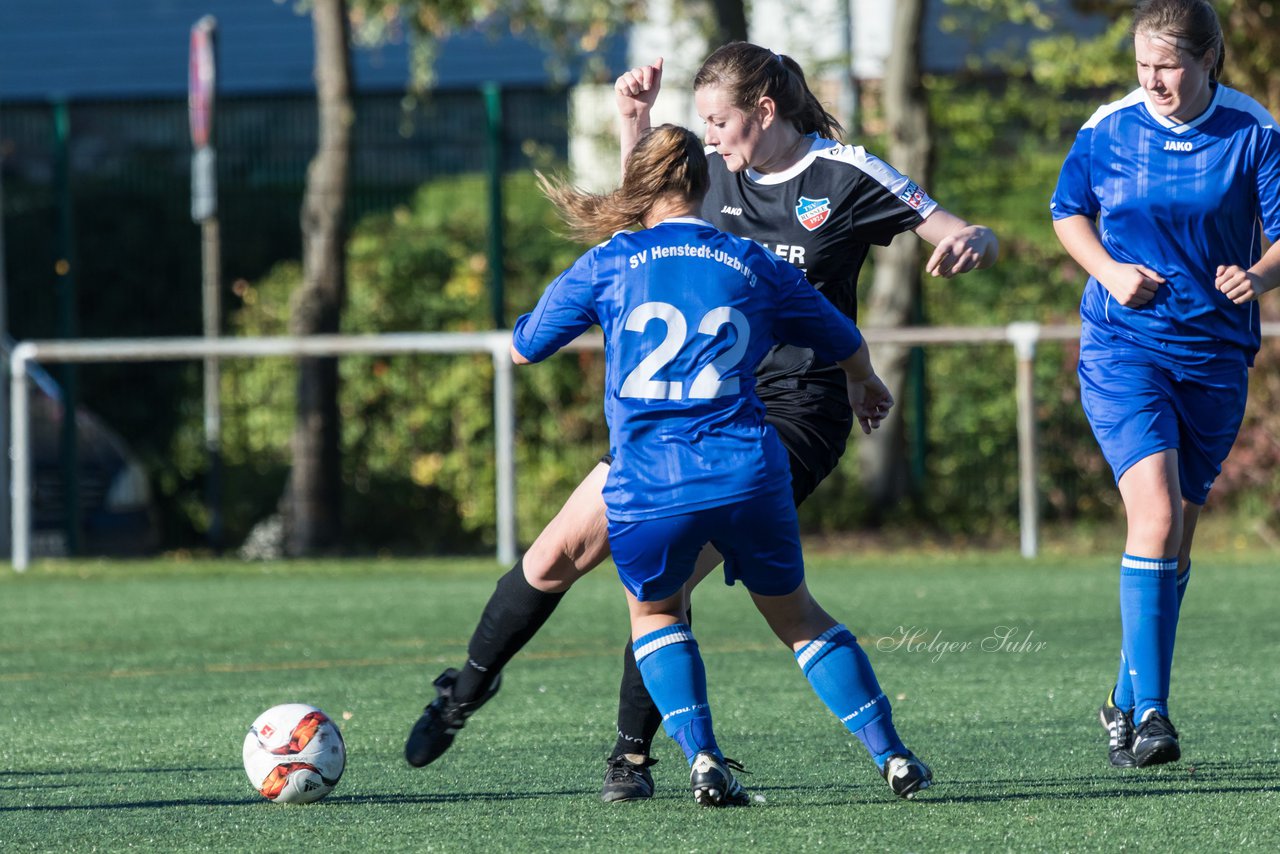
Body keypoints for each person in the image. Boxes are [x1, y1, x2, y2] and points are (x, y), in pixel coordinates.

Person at [405, 42, 998, 801]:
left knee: (666, 573)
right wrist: (635, 124)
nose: (711, 138)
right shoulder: (711, 174)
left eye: (718, 121)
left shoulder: (840, 173)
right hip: (692, 404)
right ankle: (464, 694)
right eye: (703, 127)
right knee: (555, 554)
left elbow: (949, 225)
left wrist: (970, 238)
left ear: (765, 110)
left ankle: (635, 756)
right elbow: (646, 222)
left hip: (791, 414)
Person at [513, 121, 927, 804]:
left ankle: (702, 759)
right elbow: (840, 334)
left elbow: (528, 345)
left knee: (655, 616)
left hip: (647, 477)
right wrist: (863, 378)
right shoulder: (749, 260)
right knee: (798, 619)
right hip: (746, 469)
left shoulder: (613, 260)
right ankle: (894, 757)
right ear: (708, 190)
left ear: (640, 191)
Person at [1050, 0, 1280, 769]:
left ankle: (1122, 701)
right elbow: (1067, 212)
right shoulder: (1108, 128)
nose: (1154, 80)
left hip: (1215, 357)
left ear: (1208, 61)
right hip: (1124, 350)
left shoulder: (1253, 131)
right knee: (1151, 515)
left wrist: (1257, 274)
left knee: (1175, 537)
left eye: (1169, 66)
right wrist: (1111, 274)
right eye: (1144, 65)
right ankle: (1152, 715)